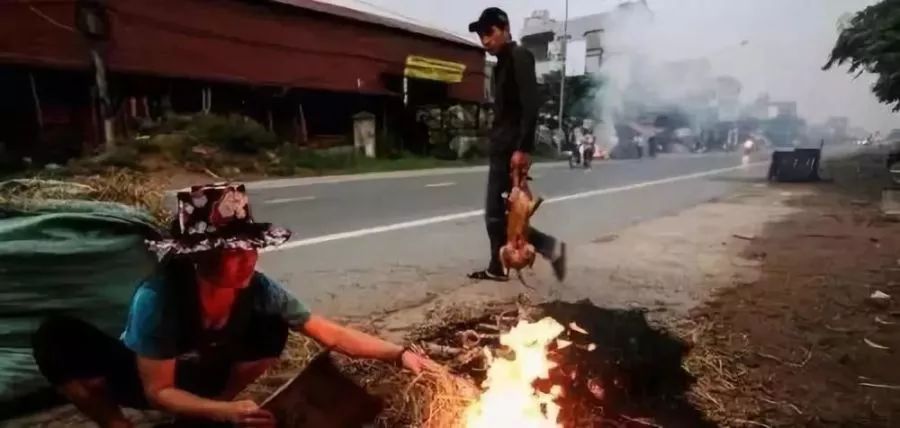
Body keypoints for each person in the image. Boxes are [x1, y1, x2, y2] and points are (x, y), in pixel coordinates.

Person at [32, 184, 436, 428]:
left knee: (271, 326)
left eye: (250, 248)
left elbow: (328, 333)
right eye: (232, 252)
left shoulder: (258, 288)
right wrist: (226, 414)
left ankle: (205, 415)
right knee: (56, 339)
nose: (247, 259)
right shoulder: (159, 299)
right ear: (200, 257)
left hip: (205, 378)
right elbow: (158, 392)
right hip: (149, 379)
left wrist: (400, 355)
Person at [467, 7, 567, 282]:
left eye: (490, 33)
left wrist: (522, 149)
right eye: (481, 36)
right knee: (504, 215)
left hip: (511, 151)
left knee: (495, 215)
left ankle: (520, 259)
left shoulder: (519, 56)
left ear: (505, 29)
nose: (485, 40)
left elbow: (530, 105)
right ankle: (505, 264)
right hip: (503, 147)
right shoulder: (501, 63)